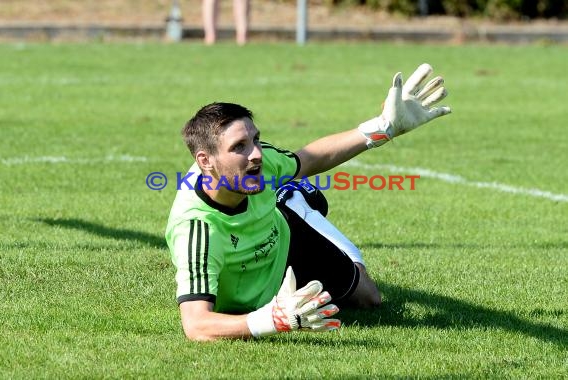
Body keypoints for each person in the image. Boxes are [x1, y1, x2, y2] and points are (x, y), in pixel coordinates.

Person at [165, 63, 451, 341]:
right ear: (205, 161)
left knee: (369, 300)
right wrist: (272, 320)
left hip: (285, 239)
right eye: (239, 147)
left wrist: (383, 127)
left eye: (256, 140)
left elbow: (309, 158)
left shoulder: (261, 165)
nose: (256, 155)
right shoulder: (197, 229)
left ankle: (295, 204)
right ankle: (290, 200)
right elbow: (197, 325)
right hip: (261, 272)